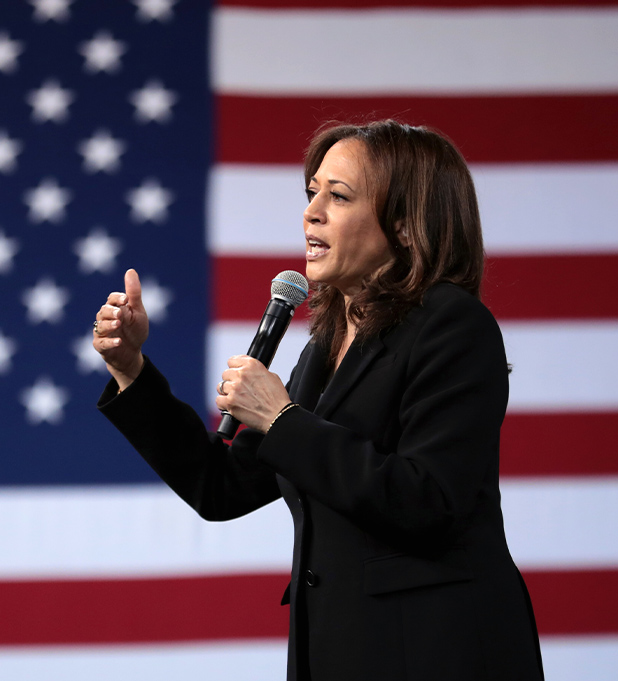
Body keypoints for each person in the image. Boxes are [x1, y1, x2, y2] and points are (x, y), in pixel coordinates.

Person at [92, 120, 543, 680]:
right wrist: (131, 368)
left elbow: (429, 502)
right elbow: (222, 486)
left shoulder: (452, 325)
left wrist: (281, 421)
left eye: (339, 196)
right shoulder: (328, 344)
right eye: (312, 193)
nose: (311, 212)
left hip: (434, 652)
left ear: (404, 225)